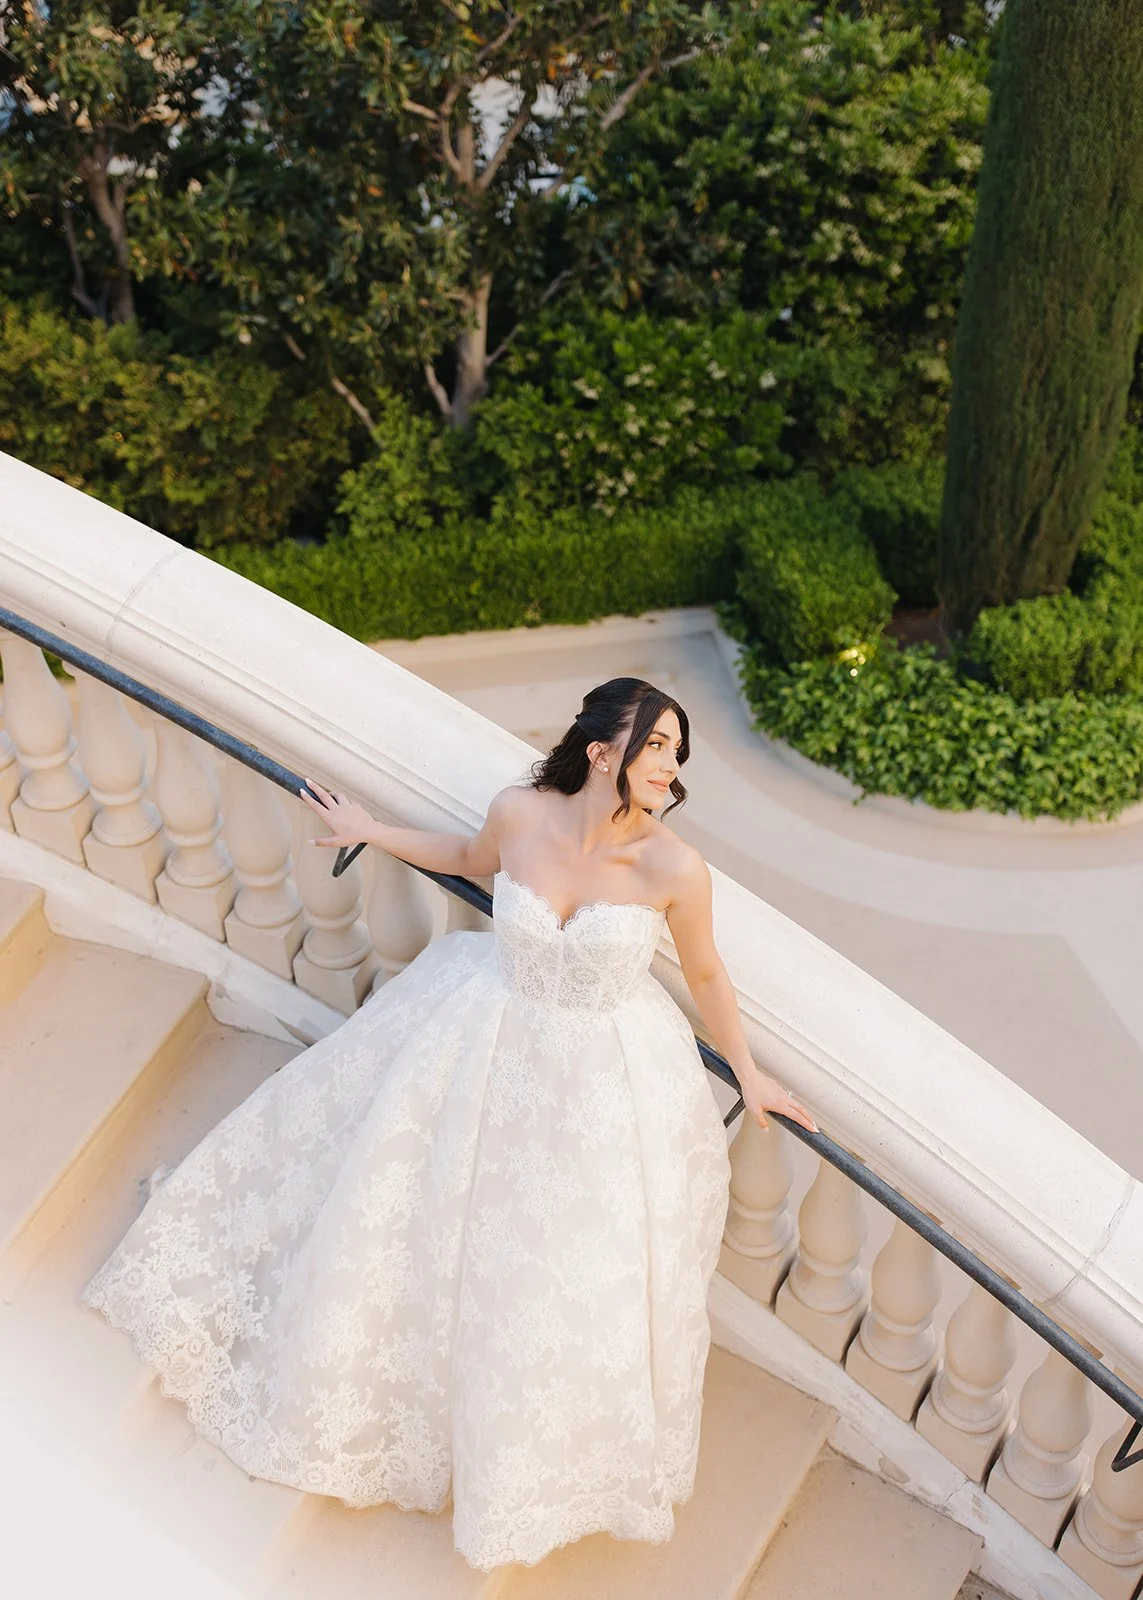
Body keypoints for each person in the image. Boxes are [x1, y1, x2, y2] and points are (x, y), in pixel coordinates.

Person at [82, 676, 817, 1573]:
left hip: (595, 1082)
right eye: (656, 744)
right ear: (601, 750)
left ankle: (530, 1457)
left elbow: (705, 976)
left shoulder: (672, 867)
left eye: (675, 751)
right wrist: (369, 830)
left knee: (555, 1263)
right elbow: (468, 857)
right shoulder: (520, 813)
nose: (670, 765)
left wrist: (749, 1072)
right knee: (413, 1215)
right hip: (479, 1031)